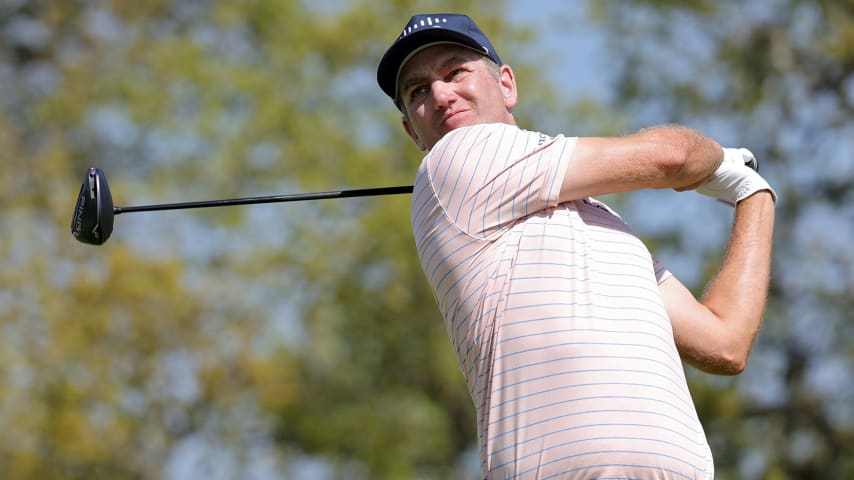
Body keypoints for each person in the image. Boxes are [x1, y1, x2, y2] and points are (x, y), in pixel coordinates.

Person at [376, 13, 776, 480]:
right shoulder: (455, 158)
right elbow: (674, 156)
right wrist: (718, 160)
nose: (441, 95)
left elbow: (725, 343)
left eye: (455, 72)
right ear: (413, 133)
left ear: (506, 85)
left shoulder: (608, 227)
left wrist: (755, 195)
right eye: (418, 91)